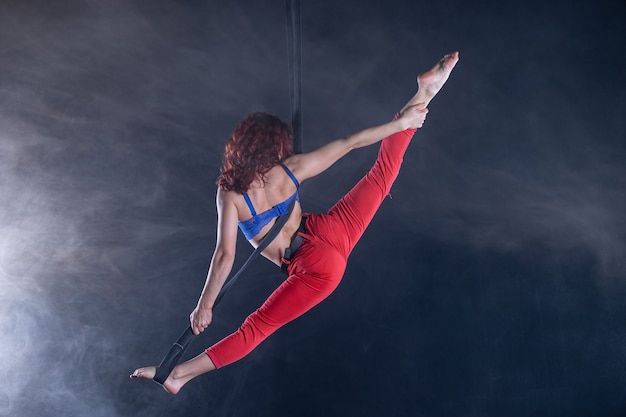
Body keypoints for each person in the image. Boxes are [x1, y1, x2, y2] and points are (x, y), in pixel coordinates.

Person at [131, 52, 459, 394]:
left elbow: (224, 256)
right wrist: (399, 126)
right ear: (273, 149)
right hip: (328, 231)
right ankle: (423, 94)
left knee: (256, 328)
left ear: (239, 147)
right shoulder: (291, 169)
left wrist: (205, 306)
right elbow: (350, 143)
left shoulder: (230, 195)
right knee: (380, 179)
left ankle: (176, 375)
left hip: (315, 267)